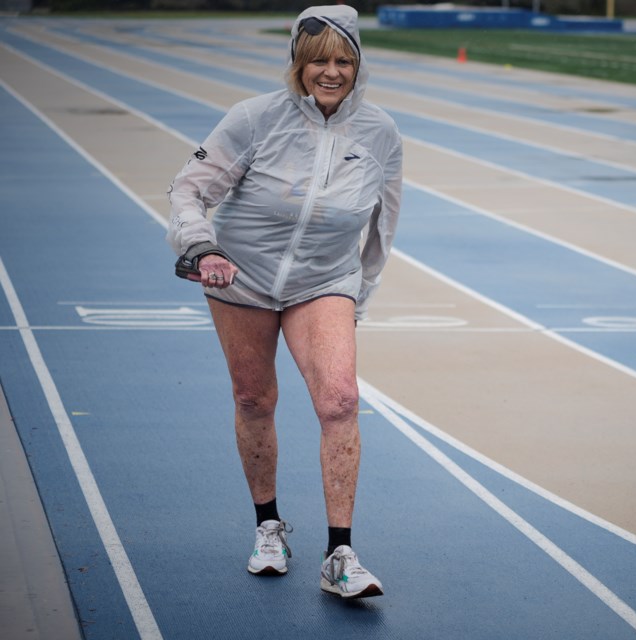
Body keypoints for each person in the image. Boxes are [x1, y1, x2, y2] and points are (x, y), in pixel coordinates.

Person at [166, 5, 402, 599]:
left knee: (341, 399)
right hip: (240, 278)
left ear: (358, 65)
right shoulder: (253, 119)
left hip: (324, 281)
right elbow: (189, 189)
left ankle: (339, 555)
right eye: (319, 59)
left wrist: (358, 296)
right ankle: (268, 526)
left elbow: (383, 226)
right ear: (298, 62)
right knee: (254, 398)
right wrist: (200, 248)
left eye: (344, 60)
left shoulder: (379, 134)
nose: (332, 71)